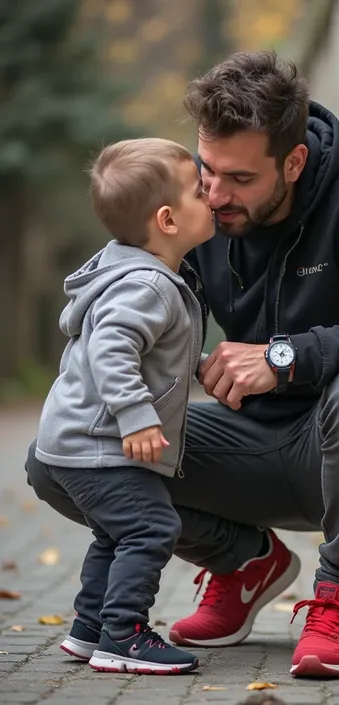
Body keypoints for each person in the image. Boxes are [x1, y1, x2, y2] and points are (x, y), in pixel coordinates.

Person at [159, 51, 339, 678]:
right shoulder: (196, 196)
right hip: (249, 439)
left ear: (293, 162)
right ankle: (242, 562)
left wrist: (285, 355)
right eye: (206, 169)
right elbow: (142, 289)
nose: (214, 196)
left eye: (239, 179)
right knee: (68, 450)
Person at [25, 138, 214, 675]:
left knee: (116, 532)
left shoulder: (129, 272)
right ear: (168, 220)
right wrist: (136, 416)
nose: (211, 197)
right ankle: (124, 635)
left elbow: (147, 347)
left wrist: (196, 365)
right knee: (151, 527)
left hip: (70, 441)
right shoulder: (150, 284)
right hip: (97, 442)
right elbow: (112, 348)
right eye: (200, 191)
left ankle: (90, 628)